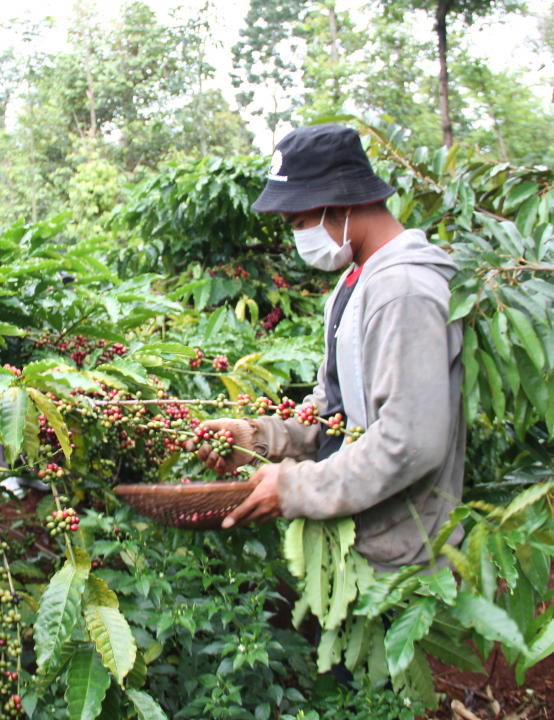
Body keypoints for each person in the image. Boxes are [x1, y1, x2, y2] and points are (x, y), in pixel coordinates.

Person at [186, 124, 465, 572]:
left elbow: (411, 441)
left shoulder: (405, 290)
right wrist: (259, 437)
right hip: (355, 548)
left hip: (406, 566)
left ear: (339, 203)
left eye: (299, 223)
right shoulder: (353, 283)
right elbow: (334, 410)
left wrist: (296, 488)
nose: (298, 237)